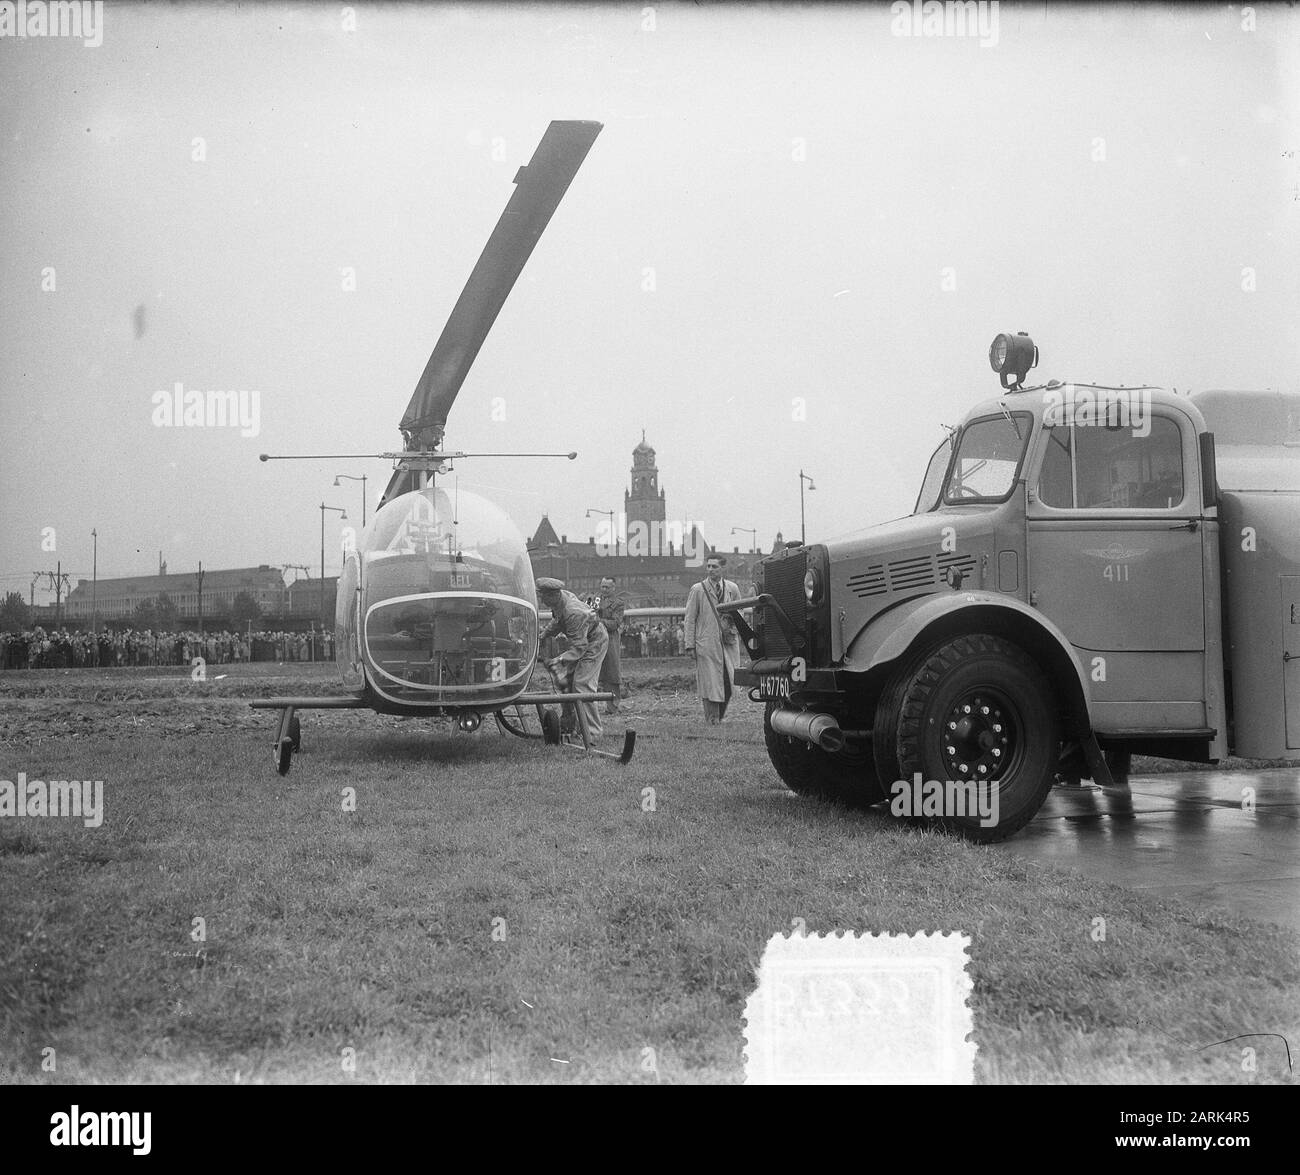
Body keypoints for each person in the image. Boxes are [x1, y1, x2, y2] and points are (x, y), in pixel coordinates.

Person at [536, 577, 608, 740]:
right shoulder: (561, 599)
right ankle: (570, 724)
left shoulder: (573, 611)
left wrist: (558, 660)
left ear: (554, 595)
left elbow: (580, 648)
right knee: (565, 680)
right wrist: (544, 634)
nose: (542, 600)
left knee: (582, 684)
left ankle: (593, 733)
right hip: (583, 640)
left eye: (544, 596)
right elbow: (558, 621)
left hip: (594, 642)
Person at [684, 553, 742, 724]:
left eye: (714, 566)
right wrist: (690, 645)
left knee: (729, 681)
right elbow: (690, 618)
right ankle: (712, 718)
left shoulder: (732, 588)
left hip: (727, 642)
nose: (710, 570)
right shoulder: (698, 589)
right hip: (706, 643)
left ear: (722, 568)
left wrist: (732, 628)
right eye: (708, 566)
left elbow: (740, 612)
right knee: (710, 682)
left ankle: (720, 716)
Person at [593, 575, 626, 712]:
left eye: (607, 587)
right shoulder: (596, 599)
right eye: (602, 586)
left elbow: (615, 623)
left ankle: (612, 706)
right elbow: (590, 613)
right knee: (591, 672)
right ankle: (590, 707)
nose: (604, 590)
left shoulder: (618, 603)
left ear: (614, 588)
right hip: (594, 639)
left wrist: (599, 621)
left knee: (611, 673)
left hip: (610, 640)